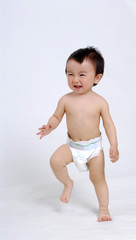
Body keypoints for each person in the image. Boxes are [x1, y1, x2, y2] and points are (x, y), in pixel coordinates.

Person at [37, 47, 119, 222]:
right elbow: (57, 116)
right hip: (73, 146)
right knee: (55, 161)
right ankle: (68, 183)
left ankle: (103, 208)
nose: (75, 79)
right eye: (70, 74)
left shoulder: (100, 102)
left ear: (97, 78)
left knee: (98, 178)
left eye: (82, 74)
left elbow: (108, 124)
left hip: (94, 149)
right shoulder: (65, 99)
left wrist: (113, 144)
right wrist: (51, 125)